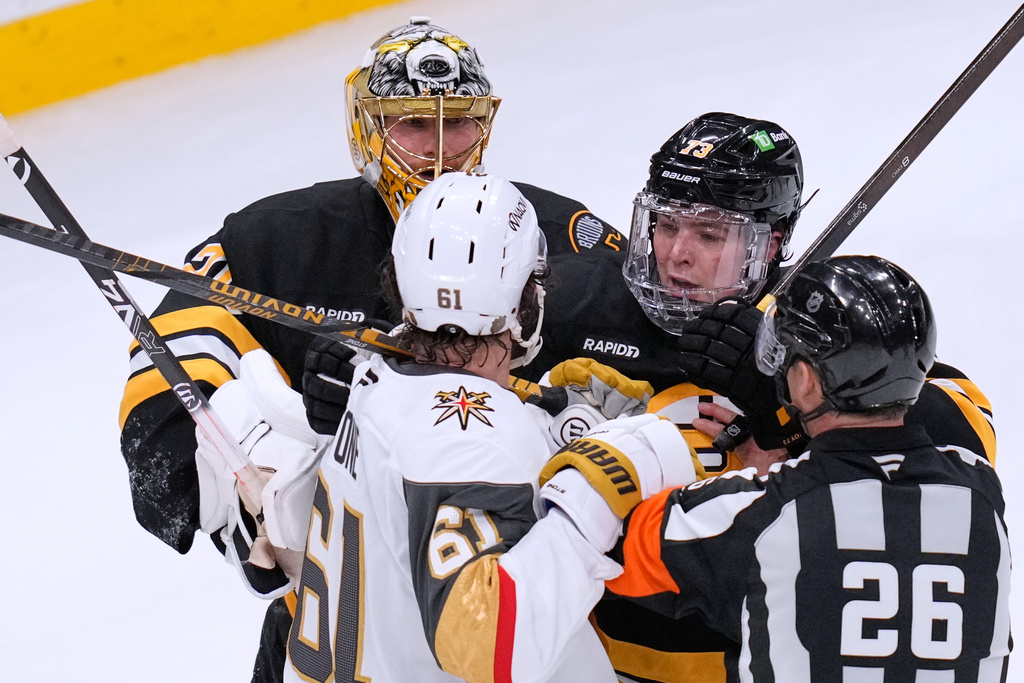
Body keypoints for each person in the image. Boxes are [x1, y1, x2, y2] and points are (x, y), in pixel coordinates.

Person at [116, 17, 624, 681]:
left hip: (499, 607)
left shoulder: (552, 238)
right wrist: (260, 487)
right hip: (350, 632)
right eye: (413, 123)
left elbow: (659, 354)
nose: (440, 149)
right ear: (367, 126)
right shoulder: (276, 244)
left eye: (459, 121)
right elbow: (158, 415)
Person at [529, 112, 997, 682]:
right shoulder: (577, 299)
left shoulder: (814, 326)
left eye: (709, 234)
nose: (676, 254)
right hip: (583, 659)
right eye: (666, 224)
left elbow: (965, 435)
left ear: (770, 243)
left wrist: (776, 382)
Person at [281, 172, 697, 682]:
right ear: (523, 303)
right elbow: (489, 646)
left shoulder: (377, 371)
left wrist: (546, 428)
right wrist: (599, 483)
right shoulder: (470, 435)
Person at [595, 255, 1011, 681]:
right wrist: (790, 456)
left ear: (807, 381)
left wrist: (597, 433)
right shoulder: (980, 488)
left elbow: (599, 541)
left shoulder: (757, 517)